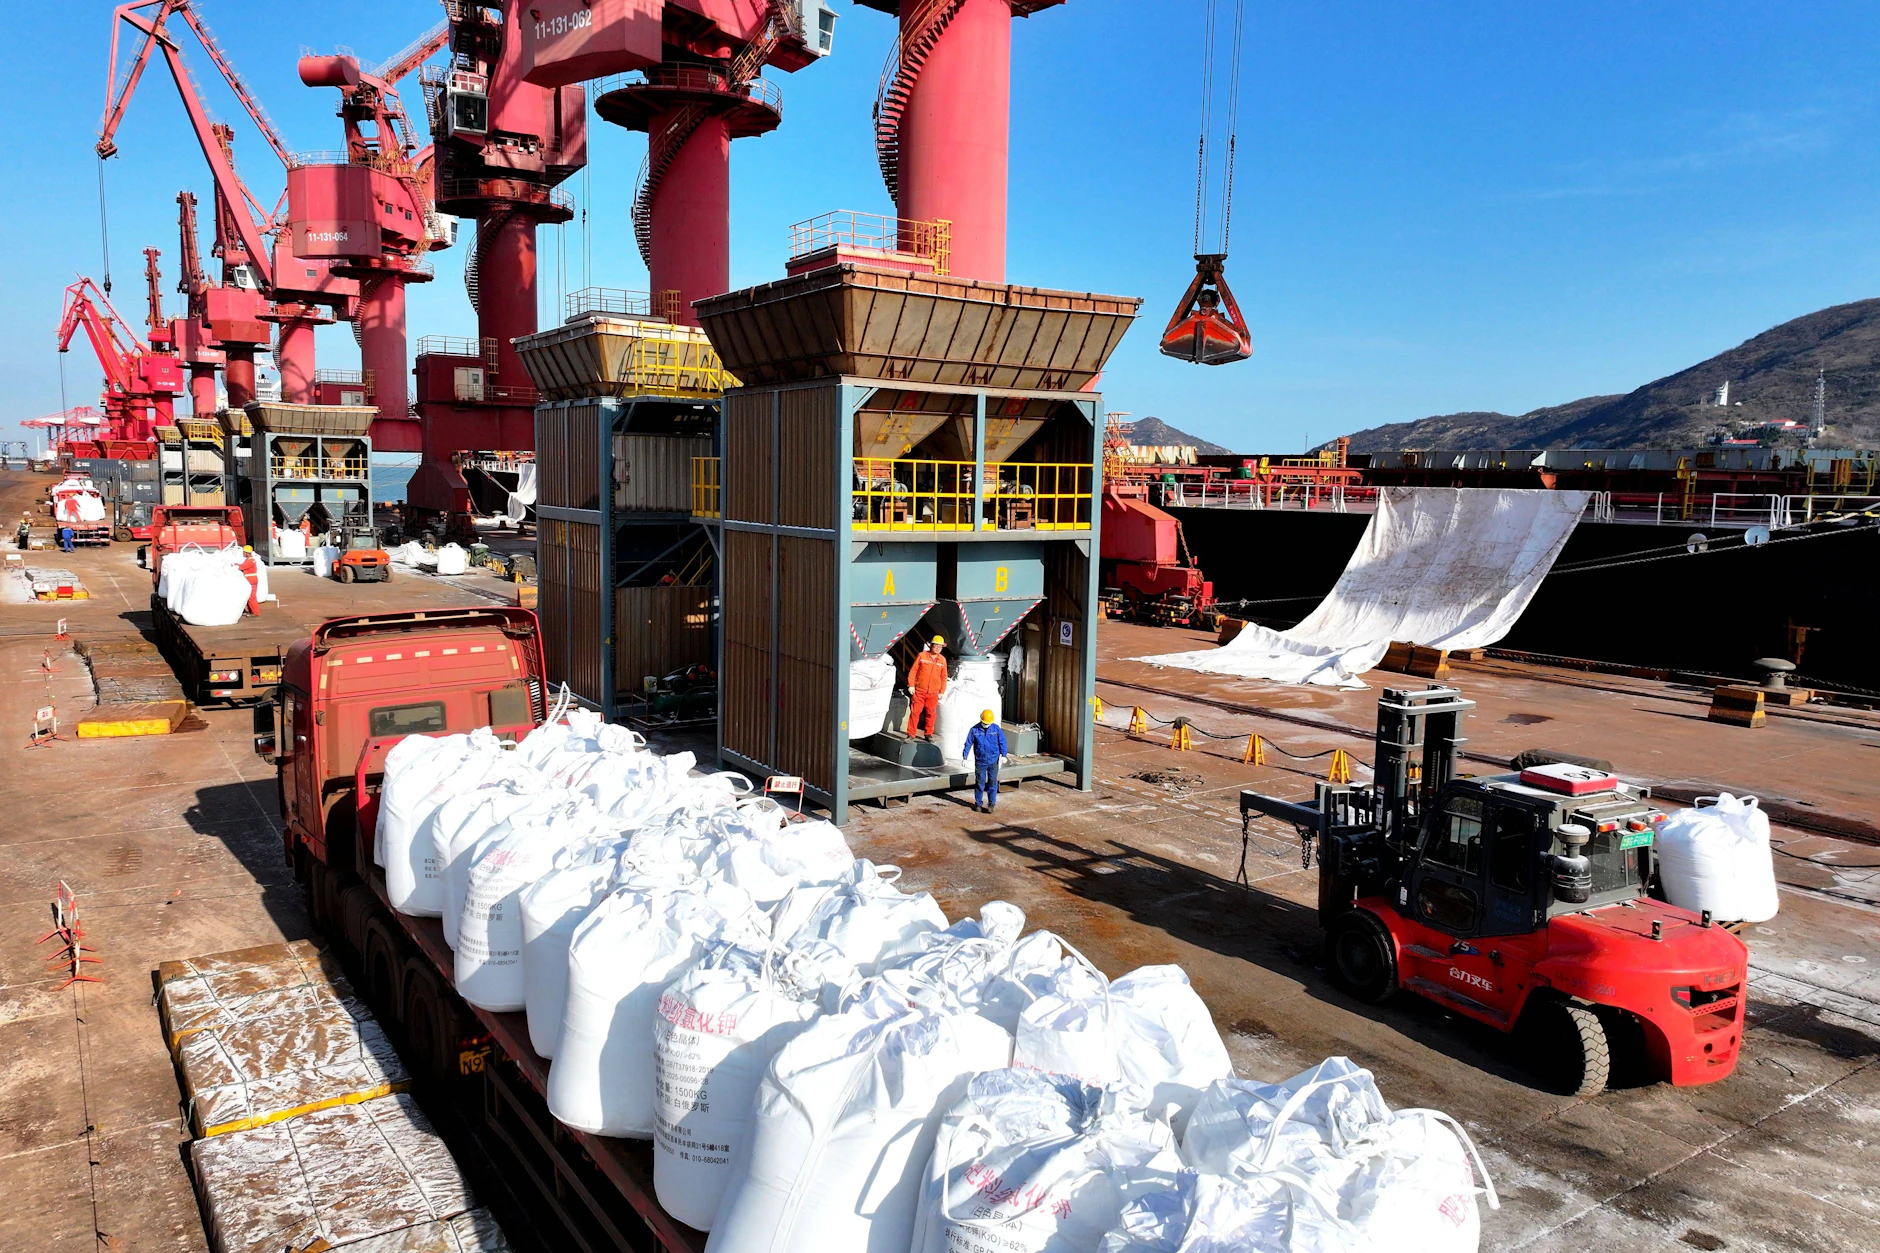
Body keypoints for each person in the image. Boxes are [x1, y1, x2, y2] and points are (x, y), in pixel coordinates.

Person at [961, 709, 1009, 814]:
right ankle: (978, 804)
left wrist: (1004, 754)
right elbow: (968, 743)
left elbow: (1002, 741)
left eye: (987, 723)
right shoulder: (974, 730)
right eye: (984, 723)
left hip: (993, 761)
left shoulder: (996, 729)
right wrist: (964, 756)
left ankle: (991, 804)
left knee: (992, 783)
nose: (986, 725)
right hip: (980, 761)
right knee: (979, 783)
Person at [905, 634, 949, 740]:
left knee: (931, 713)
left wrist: (942, 692)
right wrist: (911, 685)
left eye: (940, 646)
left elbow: (944, 677)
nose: (938, 648)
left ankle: (928, 734)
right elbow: (913, 671)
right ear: (931, 645)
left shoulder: (942, 660)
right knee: (915, 713)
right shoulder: (922, 656)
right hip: (919, 691)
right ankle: (911, 734)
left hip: (933, 692)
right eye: (936, 645)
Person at [238, 545, 261, 616]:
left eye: (243, 552)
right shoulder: (250, 559)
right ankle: (251, 610)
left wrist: (235, 566)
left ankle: (255, 612)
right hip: (251, 580)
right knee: (249, 596)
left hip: (251, 580)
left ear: (246, 553)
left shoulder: (250, 561)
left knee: (251, 596)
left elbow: (242, 567)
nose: (243, 553)